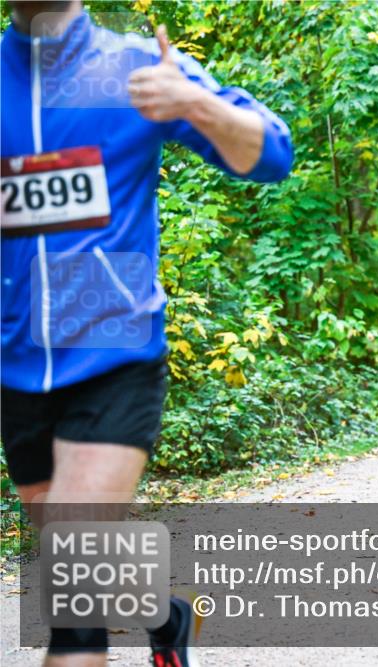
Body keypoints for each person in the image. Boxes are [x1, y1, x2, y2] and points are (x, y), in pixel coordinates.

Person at [1, 3, 293, 665]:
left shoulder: (136, 66)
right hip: (15, 365)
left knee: (74, 593)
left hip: (115, 351)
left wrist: (194, 101)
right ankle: (168, 617)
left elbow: (273, 153)